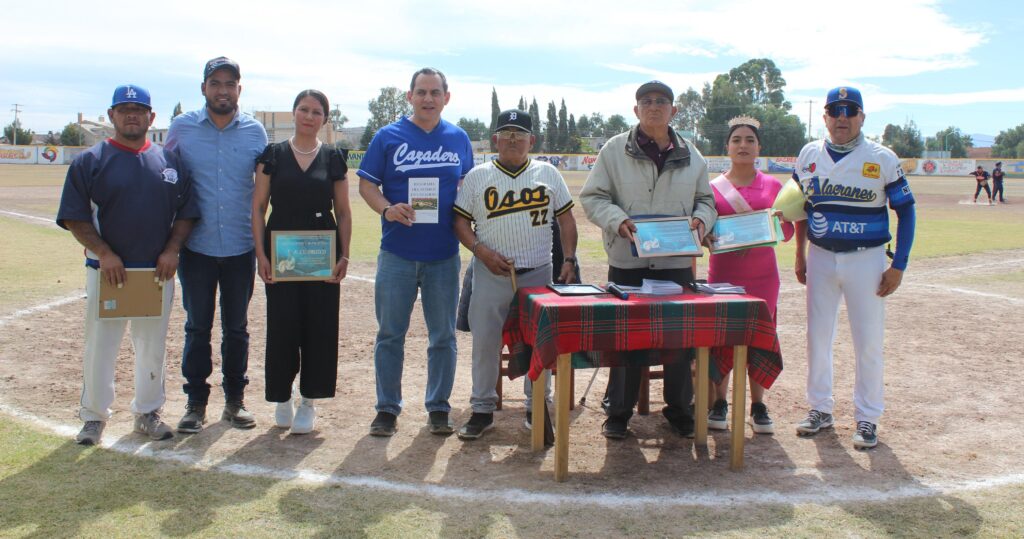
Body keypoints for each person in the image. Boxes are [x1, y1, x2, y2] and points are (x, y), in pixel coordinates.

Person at [57, 84, 199, 445]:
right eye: (124, 109)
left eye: (139, 109)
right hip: (108, 273)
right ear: (112, 116)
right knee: (101, 345)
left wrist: (172, 249)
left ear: (152, 117)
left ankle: (147, 412)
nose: (132, 114)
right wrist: (104, 253)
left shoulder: (169, 161)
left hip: (156, 274)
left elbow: (185, 213)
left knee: (152, 345)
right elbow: (75, 217)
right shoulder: (91, 161)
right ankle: (93, 416)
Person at [580, 80, 716, 439]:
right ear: (636, 109)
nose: (653, 106)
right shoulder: (613, 150)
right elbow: (593, 197)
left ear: (674, 110)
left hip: (676, 261)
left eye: (661, 101)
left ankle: (679, 410)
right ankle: (618, 413)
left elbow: (707, 201)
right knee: (624, 339)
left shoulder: (693, 154)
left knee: (679, 338)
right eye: (646, 101)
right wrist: (618, 221)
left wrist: (702, 220)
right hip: (628, 260)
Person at [792, 86, 916, 449]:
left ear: (862, 117)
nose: (842, 117)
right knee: (817, 336)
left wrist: (899, 265)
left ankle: (867, 417)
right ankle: (820, 408)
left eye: (850, 110)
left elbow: (906, 211)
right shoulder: (809, 154)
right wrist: (799, 254)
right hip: (821, 255)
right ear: (825, 117)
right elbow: (799, 207)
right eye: (835, 110)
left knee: (868, 341)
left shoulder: (881, 157)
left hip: (867, 257)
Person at [357, 67, 474, 437]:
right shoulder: (388, 136)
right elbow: (366, 186)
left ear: (446, 97)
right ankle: (387, 408)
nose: (427, 98)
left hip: (443, 253)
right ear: (410, 96)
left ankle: (439, 406)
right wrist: (387, 208)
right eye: (421, 92)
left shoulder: (458, 138)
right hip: (397, 253)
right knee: (391, 334)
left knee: (443, 336)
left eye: (434, 92)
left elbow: (468, 189)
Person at [452, 109, 578, 439]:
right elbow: (460, 222)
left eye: (519, 133)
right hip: (490, 271)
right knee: (485, 342)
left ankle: (536, 406)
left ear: (531, 141)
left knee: (540, 342)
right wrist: (481, 251)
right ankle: (481, 409)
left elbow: (566, 220)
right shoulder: (478, 176)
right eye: (505, 133)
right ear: (495, 139)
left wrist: (570, 258)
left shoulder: (548, 173)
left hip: (538, 272)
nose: (512, 139)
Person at [165, 57, 269, 433]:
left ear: (239, 89)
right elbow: (167, 181)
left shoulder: (256, 133)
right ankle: (195, 403)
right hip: (197, 247)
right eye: (216, 83)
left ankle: (235, 401)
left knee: (237, 328)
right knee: (197, 327)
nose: (223, 90)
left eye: (230, 83)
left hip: (241, 247)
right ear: (204, 88)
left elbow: (263, 194)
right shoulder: (182, 128)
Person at [252, 90, 352, 435]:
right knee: (282, 326)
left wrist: (344, 254)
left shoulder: (334, 158)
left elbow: (343, 211)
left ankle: (309, 400)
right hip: (281, 251)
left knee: (319, 326)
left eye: (317, 112)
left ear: (325, 119)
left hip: (322, 249)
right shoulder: (273, 155)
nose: (309, 116)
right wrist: (261, 255)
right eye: (304, 110)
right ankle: (282, 398)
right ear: (294, 114)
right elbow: (258, 207)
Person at [704, 116, 794, 435]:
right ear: (726, 147)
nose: (743, 145)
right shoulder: (712, 188)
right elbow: (703, 228)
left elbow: (787, 232)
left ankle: (758, 405)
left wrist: (780, 222)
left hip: (763, 277)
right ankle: (719, 402)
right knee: (722, 338)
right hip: (723, 275)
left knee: (760, 339)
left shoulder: (773, 186)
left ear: (759, 148)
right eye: (737, 140)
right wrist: (705, 237)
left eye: (749, 140)